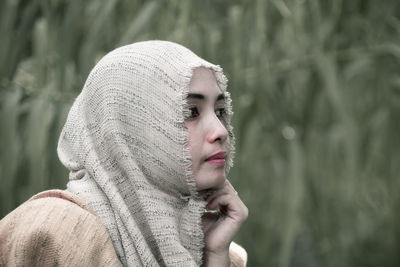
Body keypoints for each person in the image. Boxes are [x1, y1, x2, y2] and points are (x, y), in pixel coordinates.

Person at [0, 41, 248, 266]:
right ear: (130, 126)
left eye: (220, 110)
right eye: (191, 112)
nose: (220, 131)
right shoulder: (55, 232)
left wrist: (216, 257)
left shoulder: (221, 253)